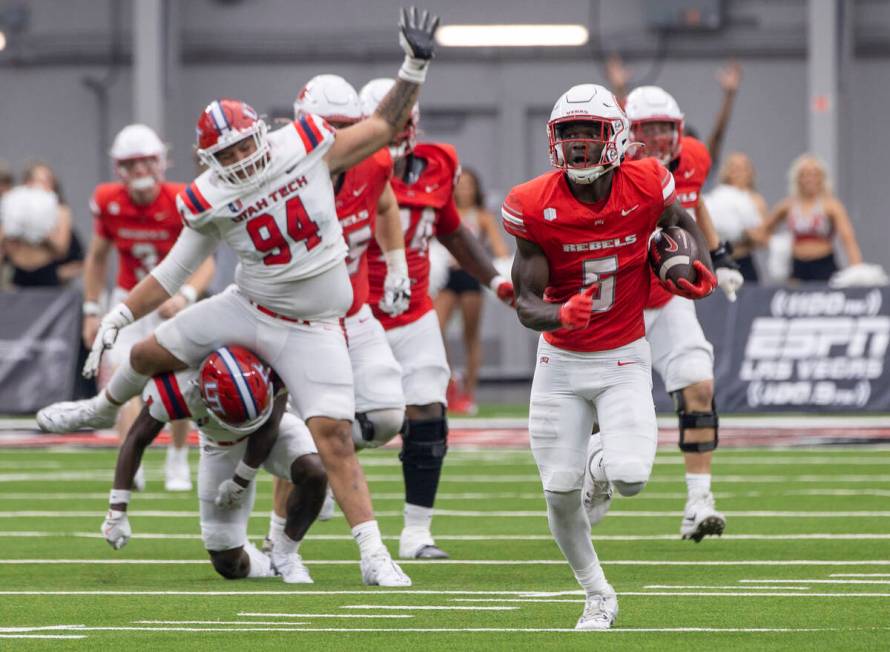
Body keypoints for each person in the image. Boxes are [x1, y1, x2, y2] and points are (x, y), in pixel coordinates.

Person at [39, 6, 441, 587]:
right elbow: (176, 270)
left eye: (243, 145)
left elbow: (381, 128)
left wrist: (413, 66)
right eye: (224, 155)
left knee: (334, 438)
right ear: (208, 161)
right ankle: (98, 410)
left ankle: (374, 554)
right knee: (147, 353)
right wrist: (118, 313)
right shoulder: (207, 196)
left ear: (262, 133)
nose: (238, 159)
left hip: (315, 325)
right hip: (250, 306)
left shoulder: (303, 146)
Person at [505, 83, 715, 629]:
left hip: (623, 356)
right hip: (559, 364)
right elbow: (525, 302)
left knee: (630, 477)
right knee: (557, 494)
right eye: (567, 134)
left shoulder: (645, 183)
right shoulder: (534, 203)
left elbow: (682, 222)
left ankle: (599, 461)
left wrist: (697, 265)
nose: (577, 145)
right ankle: (597, 593)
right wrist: (559, 316)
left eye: (589, 133)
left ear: (616, 139)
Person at [360, 77, 515, 560]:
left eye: (407, 114)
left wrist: (496, 281)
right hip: (352, 313)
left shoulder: (438, 163)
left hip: (413, 313)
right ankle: (286, 532)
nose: (403, 125)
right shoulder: (344, 170)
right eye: (392, 115)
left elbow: (450, 229)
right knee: (330, 420)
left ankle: (416, 533)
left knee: (428, 410)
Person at [260, 73, 409, 540]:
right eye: (328, 125)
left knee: (385, 415)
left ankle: (322, 462)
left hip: (354, 311)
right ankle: (276, 531)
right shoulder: (279, 175)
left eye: (346, 126)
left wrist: (397, 264)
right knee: (300, 426)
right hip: (299, 318)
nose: (336, 138)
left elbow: (384, 207)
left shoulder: (373, 161)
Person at [624, 86, 743, 542]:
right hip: (622, 303)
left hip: (668, 298)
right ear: (629, 134)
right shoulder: (613, 174)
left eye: (663, 128)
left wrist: (720, 254)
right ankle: (592, 482)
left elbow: (693, 201)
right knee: (605, 411)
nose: (656, 138)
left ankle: (699, 500)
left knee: (699, 385)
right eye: (647, 129)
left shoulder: (691, 157)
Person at [101, 345, 326, 583]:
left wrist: (240, 480)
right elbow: (136, 439)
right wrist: (117, 509)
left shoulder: (271, 362)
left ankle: (286, 554)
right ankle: (266, 565)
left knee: (315, 471)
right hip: (219, 444)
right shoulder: (178, 387)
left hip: (271, 427)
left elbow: (269, 427)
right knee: (227, 563)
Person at [84, 124, 216, 492]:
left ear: (160, 162)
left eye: (146, 162)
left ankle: (177, 457)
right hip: (129, 296)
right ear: (119, 168)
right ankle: (132, 457)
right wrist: (91, 308)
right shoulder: (108, 200)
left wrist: (186, 296)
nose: (140, 171)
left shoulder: (181, 199)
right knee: (121, 375)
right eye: (132, 164)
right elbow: (97, 258)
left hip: (171, 300)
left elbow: (207, 260)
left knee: (178, 378)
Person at [434, 167, 511, 415]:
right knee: (436, 329)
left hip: (470, 277)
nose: (464, 189)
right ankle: (449, 383)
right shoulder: (445, 213)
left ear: (476, 189)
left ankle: (468, 392)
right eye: (460, 184)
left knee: (470, 336)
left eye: (469, 185)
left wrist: (496, 268)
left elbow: (500, 250)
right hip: (446, 277)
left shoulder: (482, 216)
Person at [761, 154, 862, 282]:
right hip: (797, 266)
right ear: (797, 179)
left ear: (822, 178)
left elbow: (848, 239)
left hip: (824, 265)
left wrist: (857, 270)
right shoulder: (787, 205)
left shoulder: (832, 206)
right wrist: (777, 245)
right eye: (805, 174)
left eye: (815, 174)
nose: (810, 179)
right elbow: (762, 231)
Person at [0, 163, 84, 287]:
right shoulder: (12, 207)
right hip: (17, 275)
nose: (42, 186)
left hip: (47, 275)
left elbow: (62, 249)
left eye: (48, 181)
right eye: (37, 180)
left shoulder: (61, 211)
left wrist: (41, 233)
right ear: (27, 183)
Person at [705, 152, 767, 282]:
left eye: (742, 168)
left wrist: (741, 232)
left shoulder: (756, 200)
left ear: (750, 172)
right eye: (732, 167)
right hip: (717, 261)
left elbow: (762, 239)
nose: (736, 172)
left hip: (743, 261)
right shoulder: (717, 197)